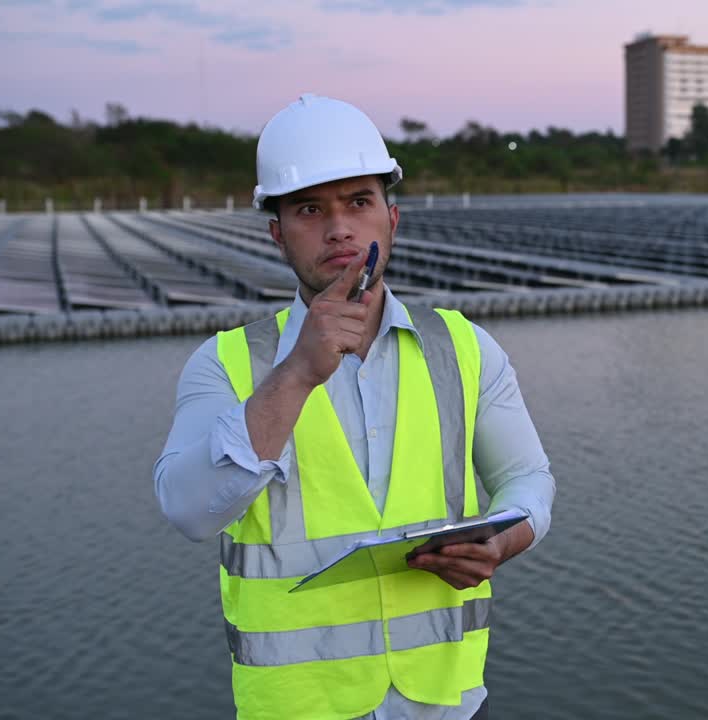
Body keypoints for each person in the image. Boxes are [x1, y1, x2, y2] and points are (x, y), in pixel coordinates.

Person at [154, 93, 555, 720]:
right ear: (277, 234)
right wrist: (296, 374)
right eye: (310, 209)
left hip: (446, 702)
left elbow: (527, 479)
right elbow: (187, 510)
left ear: (391, 219)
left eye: (359, 203)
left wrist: (506, 539)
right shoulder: (226, 364)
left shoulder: (465, 348)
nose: (340, 228)